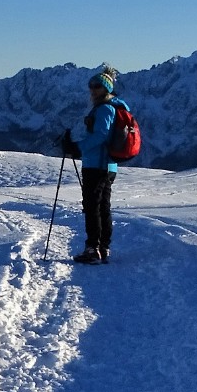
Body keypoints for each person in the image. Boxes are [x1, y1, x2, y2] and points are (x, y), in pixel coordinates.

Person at [60, 68, 129, 264]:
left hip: (97, 166)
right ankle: (103, 248)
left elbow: (100, 136)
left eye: (97, 87)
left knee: (92, 207)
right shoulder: (110, 107)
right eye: (91, 86)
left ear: (106, 88)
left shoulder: (105, 109)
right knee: (102, 207)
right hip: (108, 166)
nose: (92, 90)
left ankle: (92, 249)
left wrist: (77, 148)